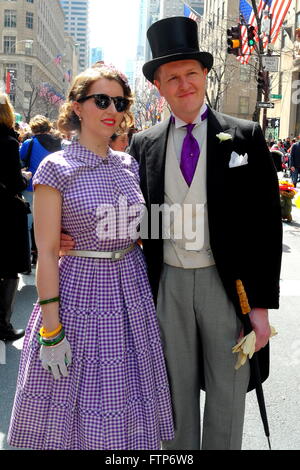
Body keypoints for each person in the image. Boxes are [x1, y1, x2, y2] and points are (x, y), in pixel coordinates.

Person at [128, 17, 282, 450]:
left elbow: (267, 229)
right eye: (172, 77)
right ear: (159, 86)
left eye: (191, 73)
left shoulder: (246, 137)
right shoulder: (145, 143)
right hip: (169, 283)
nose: (184, 84)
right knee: (173, 394)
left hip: (227, 285)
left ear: (205, 74)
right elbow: (141, 218)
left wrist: (261, 308)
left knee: (227, 393)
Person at [8, 64, 174, 450]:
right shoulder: (56, 168)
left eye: (119, 101)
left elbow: (145, 229)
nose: (112, 108)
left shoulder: (128, 164)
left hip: (131, 290)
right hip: (80, 289)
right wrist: (52, 331)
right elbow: (47, 253)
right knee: (76, 396)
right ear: (77, 107)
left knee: (128, 395)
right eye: (101, 99)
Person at [0, 92, 31, 341]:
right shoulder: (8, 143)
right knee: (9, 269)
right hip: (5, 213)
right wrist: (24, 177)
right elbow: (14, 182)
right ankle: (3, 324)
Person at [20, 115, 62, 269]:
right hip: (55, 188)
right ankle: (51, 258)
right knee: (52, 225)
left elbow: (20, 160)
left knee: (29, 225)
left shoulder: (29, 143)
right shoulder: (59, 143)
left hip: (32, 187)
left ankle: (28, 261)